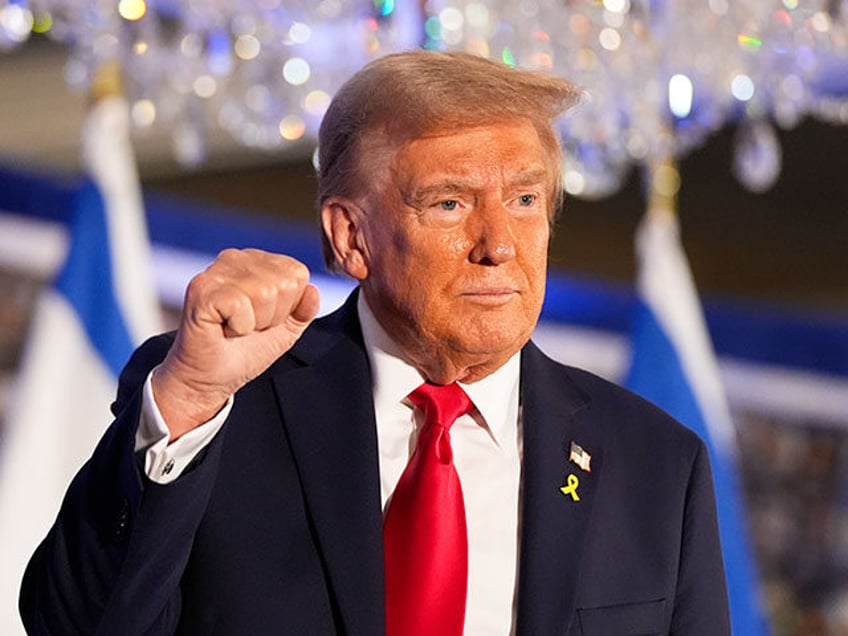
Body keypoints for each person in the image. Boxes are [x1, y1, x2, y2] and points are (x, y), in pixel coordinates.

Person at [20, 50, 730, 635]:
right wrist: (190, 398)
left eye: (524, 199)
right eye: (450, 202)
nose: (499, 245)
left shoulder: (656, 465)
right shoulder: (217, 408)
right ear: (350, 237)